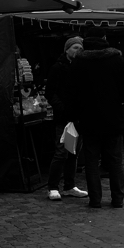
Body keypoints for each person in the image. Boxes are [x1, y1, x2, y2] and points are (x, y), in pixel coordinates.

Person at [70, 27, 124, 208]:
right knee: (115, 161)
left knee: (91, 161)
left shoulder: (78, 62)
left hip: (88, 118)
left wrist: (76, 114)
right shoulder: (116, 59)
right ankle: (117, 199)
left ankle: (95, 199)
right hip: (112, 117)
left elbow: (71, 92)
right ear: (104, 38)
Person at [45, 36, 88, 201]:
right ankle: (53, 187)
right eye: (75, 47)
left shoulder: (81, 68)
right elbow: (50, 92)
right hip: (64, 118)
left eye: (80, 48)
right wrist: (61, 108)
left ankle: (69, 186)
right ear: (67, 50)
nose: (78, 50)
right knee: (61, 152)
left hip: (77, 117)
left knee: (72, 152)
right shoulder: (57, 68)